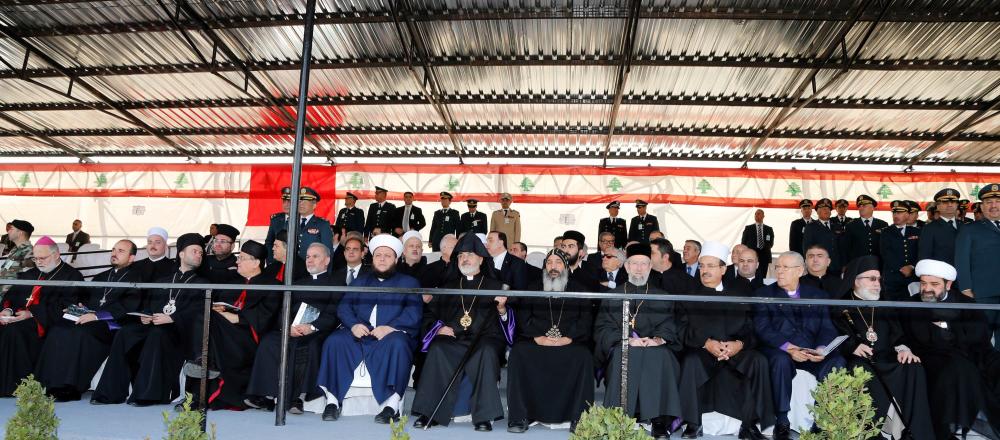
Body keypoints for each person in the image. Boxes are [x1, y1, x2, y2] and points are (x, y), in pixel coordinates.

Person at [317, 234, 423, 424]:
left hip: (391, 335)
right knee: (335, 341)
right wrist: (353, 325)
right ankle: (332, 402)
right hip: (360, 333)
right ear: (372, 258)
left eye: (387, 256)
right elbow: (344, 307)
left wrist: (390, 328)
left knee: (399, 344)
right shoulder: (360, 281)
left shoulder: (409, 283)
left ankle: (391, 405)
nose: (382, 259)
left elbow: (413, 314)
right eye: (378, 255)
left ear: (396, 260)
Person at [91, 233, 207, 406]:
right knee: (125, 333)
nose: (199, 255)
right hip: (156, 324)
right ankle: (109, 393)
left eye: (201, 253)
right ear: (181, 254)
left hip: (180, 330)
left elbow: (199, 312)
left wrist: (173, 318)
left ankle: (147, 395)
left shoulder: (203, 283)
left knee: (157, 334)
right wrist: (146, 315)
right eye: (195, 251)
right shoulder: (164, 280)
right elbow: (150, 305)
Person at [411, 233, 511, 431]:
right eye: (461, 255)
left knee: (486, 352)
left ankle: (483, 416)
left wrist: (502, 309)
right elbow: (429, 315)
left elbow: (510, 323)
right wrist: (439, 328)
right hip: (453, 339)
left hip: (484, 339)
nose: (465, 259)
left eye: (470, 255)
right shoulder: (449, 287)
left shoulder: (496, 287)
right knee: (438, 348)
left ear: (481, 259)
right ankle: (430, 412)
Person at [830, 256, 934, 439]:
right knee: (861, 371)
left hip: (887, 356)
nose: (877, 284)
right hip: (861, 360)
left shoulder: (885, 304)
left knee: (914, 367)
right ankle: (874, 434)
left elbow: (898, 334)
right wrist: (852, 346)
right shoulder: (841, 306)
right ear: (855, 281)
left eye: (879, 279)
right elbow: (834, 336)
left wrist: (904, 349)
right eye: (871, 279)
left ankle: (916, 433)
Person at [677, 241, 772, 440]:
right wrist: (706, 343)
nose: (704, 271)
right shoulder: (688, 294)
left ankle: (750, 425)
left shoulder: (739, 293)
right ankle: (692, 423)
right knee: (691, 362)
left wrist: (739, 344)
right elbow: (681, 329)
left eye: (710, 266)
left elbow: (751, 328)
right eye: (702, 266)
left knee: (758, 361)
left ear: (723, 269)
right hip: (703, 349)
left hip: (734, 350)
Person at [753, 251, 845, 440]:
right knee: (780, 361)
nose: (779, 271)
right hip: (781, 350)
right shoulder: (763, 294)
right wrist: (790, 348)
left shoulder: (818, 295)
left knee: (837, 362)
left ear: (800, 271)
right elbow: (763, 329)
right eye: (778, 267)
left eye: (785, 267)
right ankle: (782, 421)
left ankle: (823, 420)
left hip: (811, 351)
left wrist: (821, 348)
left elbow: (827, 327)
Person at [595, 243, 683, 439]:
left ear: (650, 267)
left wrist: (657, 339)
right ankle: (618, 417)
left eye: (644, 264)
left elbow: (669, 325)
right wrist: (625, 340)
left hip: (653, 346)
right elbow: (603, 328)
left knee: (659, 354)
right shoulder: (612, 295)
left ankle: (659, 420)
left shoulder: (663, 296)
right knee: (625, 353)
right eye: (634, 263)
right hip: (622, 345)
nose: (639, 268)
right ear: (626, 266)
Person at [904, 259, 1000, 439]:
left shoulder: (966, 303)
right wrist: (949, 331)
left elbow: (980, 337)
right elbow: (921, 338)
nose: (927, 289)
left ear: (948, 284)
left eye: (934, 284)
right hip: (934, 358)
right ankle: (960, 429)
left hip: (974, 353)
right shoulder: (912, 305)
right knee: (960, 369)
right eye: (923, 283)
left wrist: (945, 328)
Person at [36, 239, 142, 402]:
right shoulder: (101, 276)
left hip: (112, 324)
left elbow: (128, 306)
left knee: (80, 334)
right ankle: (45, 384)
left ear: (131, 258)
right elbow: (86, 299)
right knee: (59, 328)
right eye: (114, 249)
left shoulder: (137, 279)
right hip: (89, 318)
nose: (114, 253)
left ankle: (70, 387)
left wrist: (98, 316)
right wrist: (80, 308)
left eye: (121, 251)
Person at [245, 243, 342, 414]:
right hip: (293, 329)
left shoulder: (336, 283)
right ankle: (266, 395)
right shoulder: (297, 284)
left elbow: (334, 313)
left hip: (317, 331)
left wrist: (312, 327)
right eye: (308, 257)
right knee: (269, 341)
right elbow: (283, 310)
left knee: (308, 345)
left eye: (315, 256)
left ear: (327, 260)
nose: (310, 260)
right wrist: (287, 327)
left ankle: (298, 397)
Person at [184, 240, 279, 410]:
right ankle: (201, 374)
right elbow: (220, 304)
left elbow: (262, 318)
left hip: (248, 337)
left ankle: (201, 366)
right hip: (223, 331)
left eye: (242, 258)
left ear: (256, 263)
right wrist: (219, 309)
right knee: (203, 318)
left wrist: (227, 315)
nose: (237, 261)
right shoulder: (232, 282)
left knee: (205, 320)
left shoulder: (273, 286)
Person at [506, 250, 594, 433]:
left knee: (583, 356)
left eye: (558, 262)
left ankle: (580, 418)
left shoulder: (579, 289)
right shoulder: (532, 288)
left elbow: (585, 319)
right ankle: (520, 416)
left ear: (566, 266)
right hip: (537, 339)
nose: (553, 267)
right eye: (549, 262)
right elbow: (523, 317)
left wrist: (567, 338)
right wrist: (538, 338)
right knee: (518, 353)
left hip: (569, 341)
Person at [0, 237, 84, 396]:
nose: (38, 262)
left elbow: (68, 306)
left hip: (48, 322)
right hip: (20, 317)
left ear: (56, 255)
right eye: (35, 258)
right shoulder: (29, 274)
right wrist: (8, 311)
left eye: (42, 258)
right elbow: (11, 296)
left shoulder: (72, 276)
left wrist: (32, 313)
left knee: (15, 331)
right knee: (7, 327)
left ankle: (16, 386)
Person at [955, 183, 1000, 344]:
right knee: (980, 338)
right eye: (989, 202)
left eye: (997, 201)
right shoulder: (969, 229)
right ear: (981, 206)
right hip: (982, 294)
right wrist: (965, 289)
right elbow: (961, 260)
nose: (994, 206)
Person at [880, 201, 919, 300]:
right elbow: (885, 253)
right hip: (892, 278)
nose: (896, 215)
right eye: (894, 213)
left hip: (912, 276)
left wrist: (911, 266)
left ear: (907, 214)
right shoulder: (886, 232)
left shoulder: (917, 231)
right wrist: (901, 268)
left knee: (913, 304)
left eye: (899, 212)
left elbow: (920, 252)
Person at [918, 188, 962, 264]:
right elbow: (925, 257)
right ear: (938, 206)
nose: (950, 205)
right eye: (945, 202)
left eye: (953, 201)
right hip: (941, 271)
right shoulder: (929, 229)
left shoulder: (964, 227)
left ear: (957, 205)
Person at [803, 198, 843, 273]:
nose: (826, 211)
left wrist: (844, 264)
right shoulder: (811, 227)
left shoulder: (837, 226)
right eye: (823, 209)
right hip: (819, 266)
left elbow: (842, 246)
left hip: (836, 266)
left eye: (828, 209)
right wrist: (811, 265)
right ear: (817, 212)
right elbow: (807, 248)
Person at [845, 194, 888, 262]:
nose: (861, 208)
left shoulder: (882, 224)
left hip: (877, 264)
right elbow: (846, 248)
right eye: (859, 206)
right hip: (858, 264)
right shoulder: (851, 225)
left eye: (864, 206)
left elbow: (886, 247)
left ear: (872, 208)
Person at [0, 219, 35, 295]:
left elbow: (28, 280)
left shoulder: (29, 252)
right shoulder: (15, 250)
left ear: (20, 233)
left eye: (11, 229)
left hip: (10, 296)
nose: (8, 231)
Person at [741, 209, 773, 279]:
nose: (756, 215)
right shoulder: (748, 228)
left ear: (763, 216)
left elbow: (771, 243)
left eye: (758, 214)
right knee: (751, 275)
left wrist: (765, 248)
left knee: (762, 276)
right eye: (755, 214)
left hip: (764, 256)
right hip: (752, 255)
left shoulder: (769, 229)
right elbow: (743, 243)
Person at [264, 186, 293, 264]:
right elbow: (269, 242)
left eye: (289, 201)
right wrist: (271, 262)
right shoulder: (276, 219)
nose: (286, 205)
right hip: (277, 262)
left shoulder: (303, 220)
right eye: (284, 201)